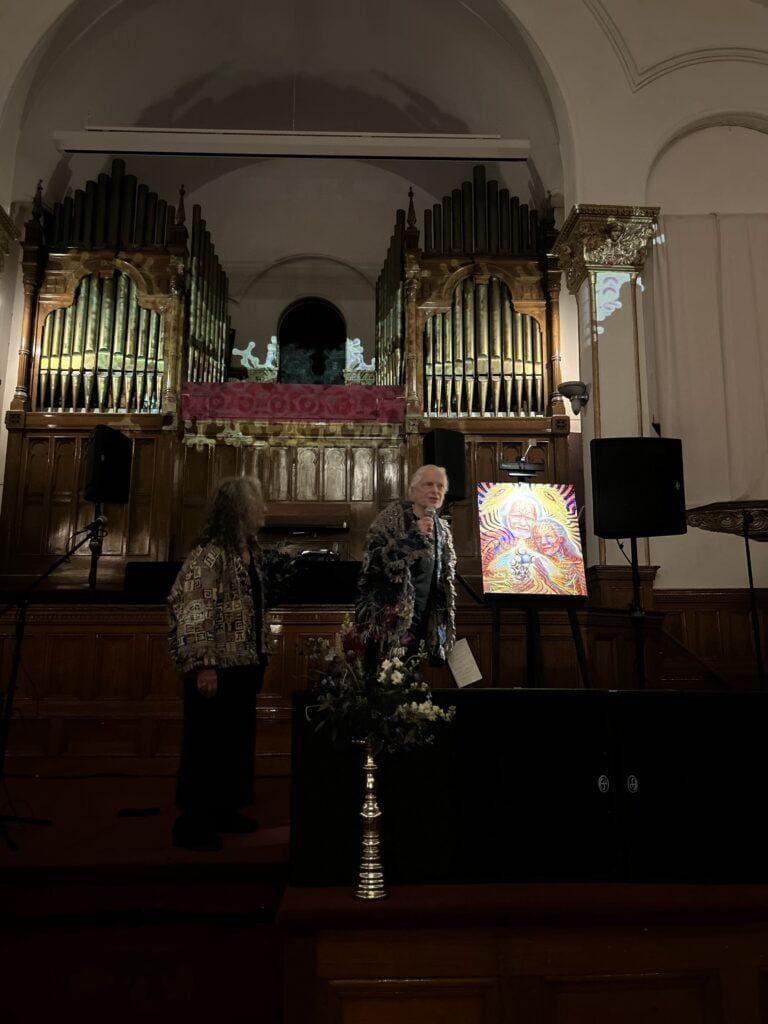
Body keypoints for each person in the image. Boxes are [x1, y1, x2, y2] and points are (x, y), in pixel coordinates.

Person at [168, 476, 270, 852]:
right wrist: (204, 664)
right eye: (257, 503)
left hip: (243, 663)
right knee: (206, 746)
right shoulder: (210, 554)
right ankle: (193, 822)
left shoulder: (249, 550)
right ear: (239, 509)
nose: (264, 509)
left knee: (234, 743)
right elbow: (194, 609)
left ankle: (225, 809)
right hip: (215, 667)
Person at [356, 464, 457, 664]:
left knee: (413, 677)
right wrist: (412, 536)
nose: (435, 491)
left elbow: (444, 582)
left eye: (440, 486)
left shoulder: (442, 529)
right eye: (428, 484)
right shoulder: (391, 519)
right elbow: (371, 564)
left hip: (424, 623)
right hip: (389, 623)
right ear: (413, 491)